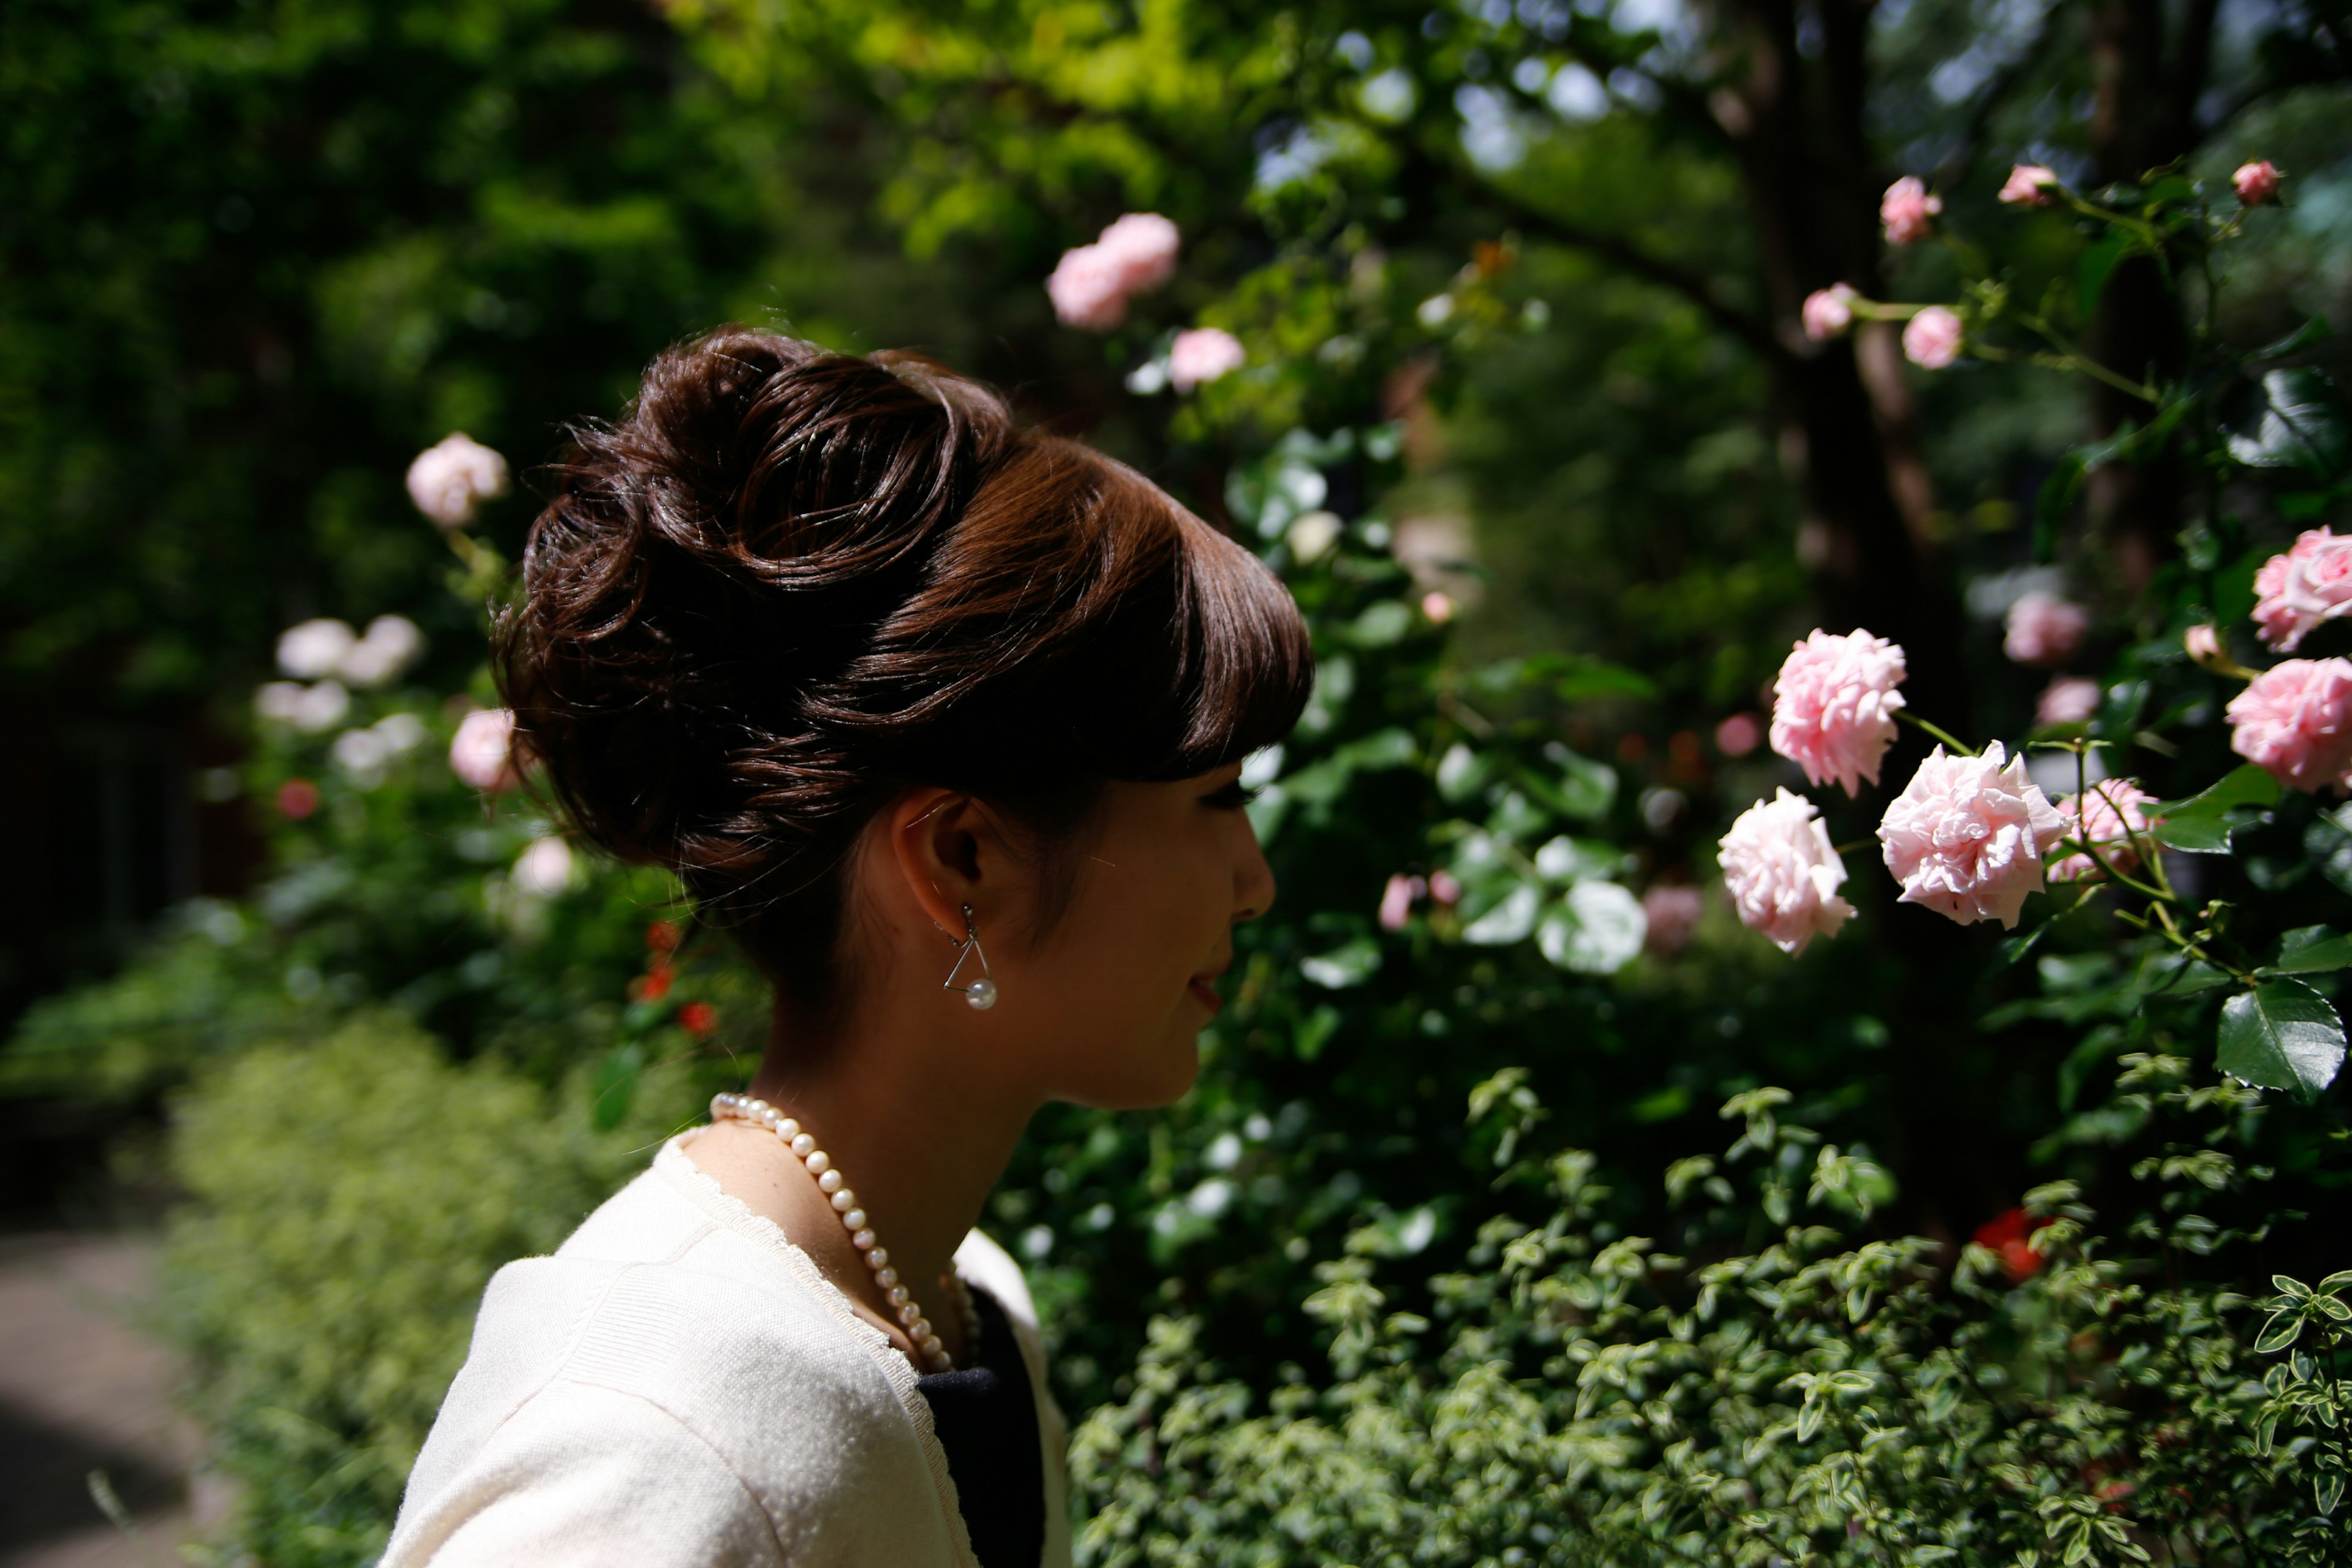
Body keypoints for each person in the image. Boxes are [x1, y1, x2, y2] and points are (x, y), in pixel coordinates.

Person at [380, 330, 1312, 1567]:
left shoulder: (957, 1307)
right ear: (961, 858)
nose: (1255, 883)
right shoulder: (649, 1445)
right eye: (1216, 799)